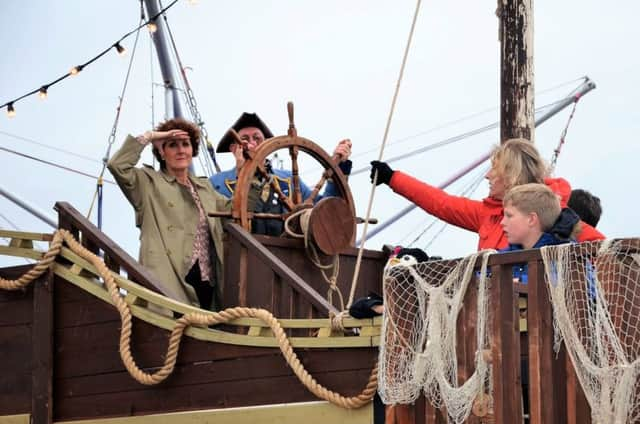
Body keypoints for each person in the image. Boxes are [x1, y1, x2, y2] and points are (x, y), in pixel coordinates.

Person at [369, 138, 604, 250]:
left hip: (536, 322)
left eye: (494, 169)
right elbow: (442, 204)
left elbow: (603, 249)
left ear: (511, 175)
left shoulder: (552, 213)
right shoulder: (487, 214)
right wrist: (393, 178)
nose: (487, 176)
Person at [108, 118, 228, 311]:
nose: (181, 150)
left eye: (185, 144)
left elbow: (235, 209)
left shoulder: (205, 188)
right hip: (169, 277)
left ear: (192, 151)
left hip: (206, 280)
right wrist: (150, 137)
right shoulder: (147, 183)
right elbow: (117, 165)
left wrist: (245, 167)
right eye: (172, 145)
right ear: (162, 153)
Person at [210, 112, 353, 236]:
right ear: (234, 148)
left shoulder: (288, 180)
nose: (252, 144)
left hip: (286, 263)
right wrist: (243, 173)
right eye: (245, 139)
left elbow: (323, 213)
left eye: (257, 138)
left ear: (267, 144)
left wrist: (338, 167)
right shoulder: (216, 184)